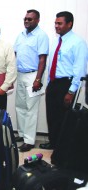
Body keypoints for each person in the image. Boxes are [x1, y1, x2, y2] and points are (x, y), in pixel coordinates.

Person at [39, 11, 88, 150]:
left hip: (67, 84)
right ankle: (53, 142)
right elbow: (52, 65)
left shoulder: (78, 43)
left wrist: (71, 91)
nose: (56, 26)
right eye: (55, 23)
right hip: (54, 83)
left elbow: (79, 70)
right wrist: (49, 83)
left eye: (59, 23)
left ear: (69, 24)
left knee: (63, 118)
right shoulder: (56, 41)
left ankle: (62, 148)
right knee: (52, 116)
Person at [14, 10, 49, 152]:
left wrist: (38, 79)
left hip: (34, 76)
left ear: (37, 21)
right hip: (20, 74)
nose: (27, 21)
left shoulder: (41, 36)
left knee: (31, 109)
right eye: (25, 19)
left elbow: (42, 59)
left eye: (30, 19)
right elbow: (14, 54)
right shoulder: (21, 35)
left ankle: (29, 140)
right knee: (20, 106)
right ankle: (22, 134)